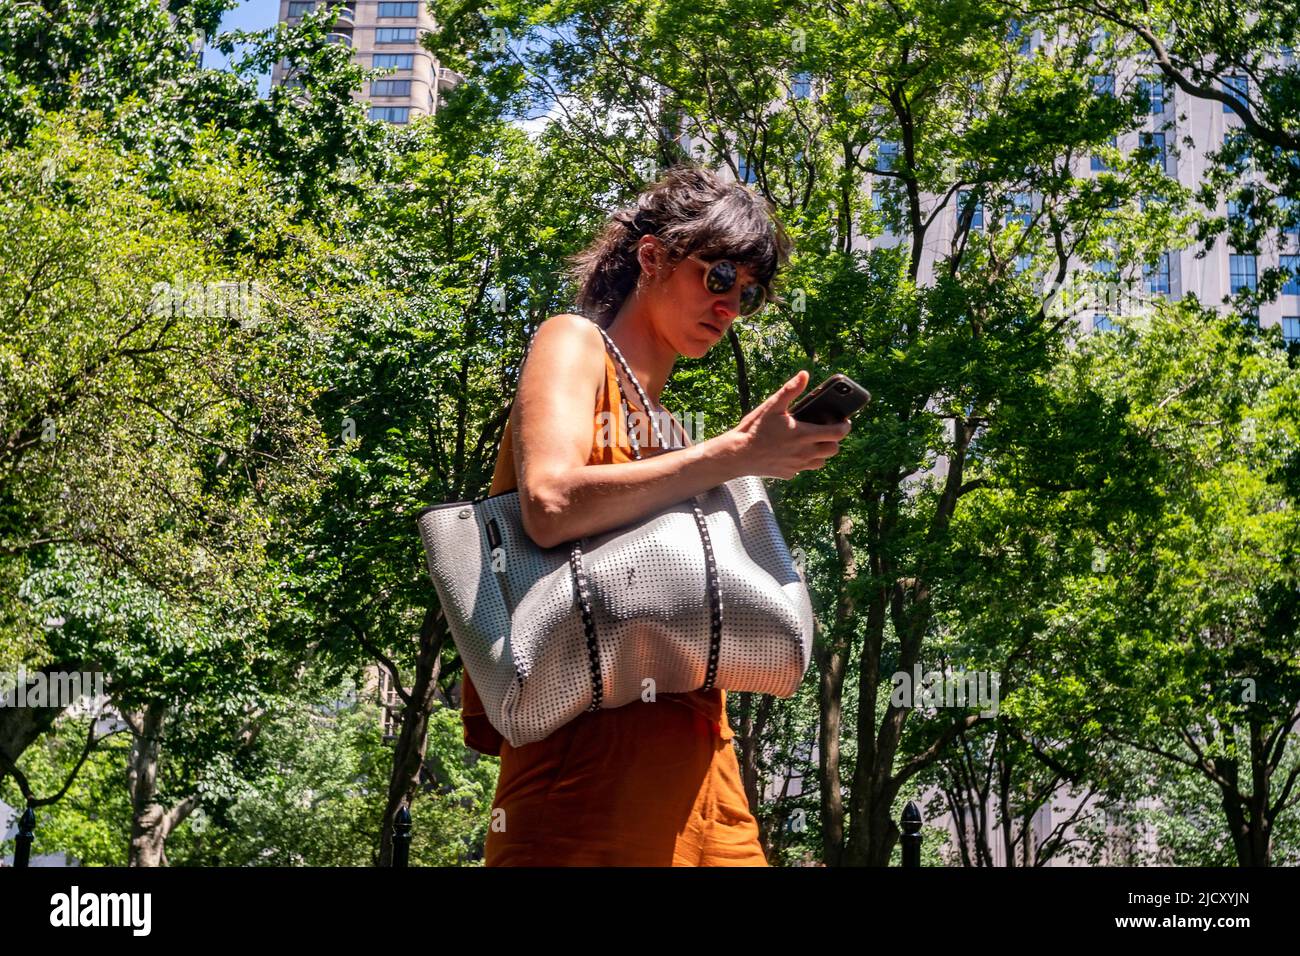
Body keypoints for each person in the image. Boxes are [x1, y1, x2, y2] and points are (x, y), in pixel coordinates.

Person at [459, 164, 851, 866]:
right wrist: (730, 456)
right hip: (586, 782)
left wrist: (729, 457)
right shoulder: (573, 344)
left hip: (708, 780)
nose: (732, 306)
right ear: (652, 257)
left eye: (751, 294)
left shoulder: (676, 432)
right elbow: (548, 507)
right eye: (720, 275)